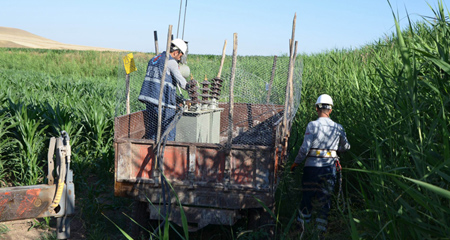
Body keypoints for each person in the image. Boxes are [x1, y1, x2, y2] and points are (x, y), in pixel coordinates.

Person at [290, 94, 350, 234]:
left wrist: (296, 163)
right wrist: (335, 149)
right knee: (325, 199)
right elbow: (346, 147)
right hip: (330, 168)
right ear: (330, 110)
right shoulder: (338, 127)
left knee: (307, 197)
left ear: (317, 108)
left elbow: (305, 148)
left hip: (311, 168)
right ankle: (320, 232)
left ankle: (302, 229)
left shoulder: (312, 125)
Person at [138, 39, 189, 141]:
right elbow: (182, 83)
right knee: (168, 133)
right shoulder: (171, 62)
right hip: (163, 104)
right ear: (176, 52)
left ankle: (153, 154)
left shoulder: (153, 59)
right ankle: (165, 155)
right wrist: (190, 86)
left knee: (153, 132)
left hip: (150, 101)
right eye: (180, 56)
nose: (179, 59)